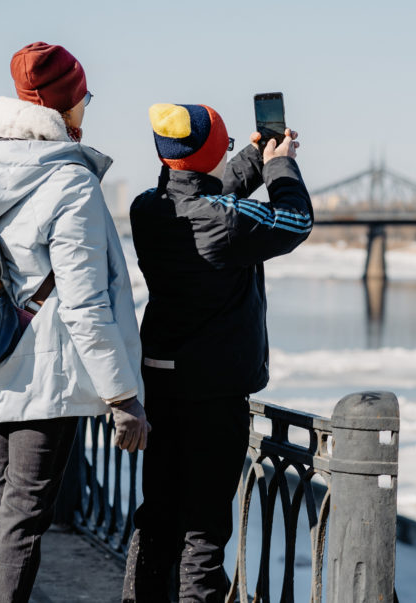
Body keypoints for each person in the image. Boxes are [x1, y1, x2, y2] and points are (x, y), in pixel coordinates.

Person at [0, 41, 150, 603]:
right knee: (24, 513)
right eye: (84, 96)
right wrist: (122, 395)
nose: (88, 106)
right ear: (64, 104)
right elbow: (85, 303)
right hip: (44, 379)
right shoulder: (67, 181)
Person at [124, 103, 312, 601]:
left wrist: (250, 155)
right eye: (224, 147)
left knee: (158, 514)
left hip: (159, 383)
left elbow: (207, 198)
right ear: (211, 152)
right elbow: (294, 221)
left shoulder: (147, 207)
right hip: (213, 392)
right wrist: (280, 165)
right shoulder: (225, 221)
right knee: (204, 533)